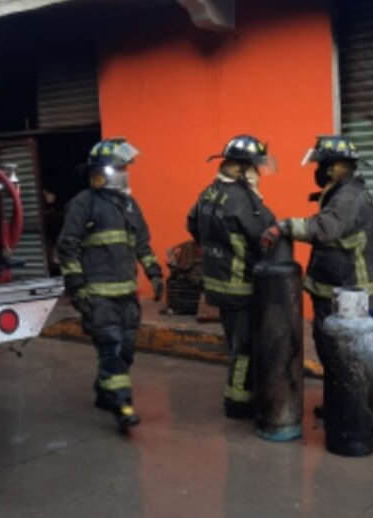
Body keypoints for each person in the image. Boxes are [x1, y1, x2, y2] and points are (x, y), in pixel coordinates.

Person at [260, 135, 373, 410]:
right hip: (336, 290)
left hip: (350, 295)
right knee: (335, 354)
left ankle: (350, 412)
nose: (318, 170)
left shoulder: (349, 196)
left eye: (322, 164)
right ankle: (341, 405)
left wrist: (284, 226)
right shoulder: (343, 191)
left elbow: (326, 228)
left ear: (335, 166)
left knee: (345, 355)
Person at [57, 138, 163, 432]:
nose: (124, 172)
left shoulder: (129, 205)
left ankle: (105, 389)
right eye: (119, 167)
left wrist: (154, 271)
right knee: (112, 348)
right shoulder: (83, 204)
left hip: (127, 294)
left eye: (124, 167)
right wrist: (77, 288)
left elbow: (141, 242)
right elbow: (67, 247)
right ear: (101, 171)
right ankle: (122, 405)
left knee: (126, 350)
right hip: (98, 295)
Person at [187, 134, 278, 419]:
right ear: (241, 168)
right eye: (255, 167)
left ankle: (242, 393)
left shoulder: (209, 192)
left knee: (236, 340)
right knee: (245, 346)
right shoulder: (245, 201)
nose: (259, 173)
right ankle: (237, 402)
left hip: (217, 284)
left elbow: (192, 223)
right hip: (241, 287)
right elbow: (267, 236)